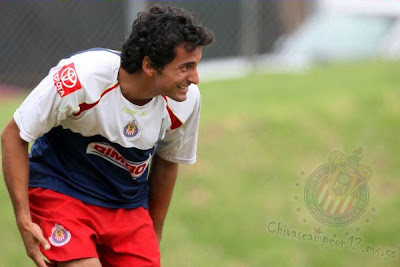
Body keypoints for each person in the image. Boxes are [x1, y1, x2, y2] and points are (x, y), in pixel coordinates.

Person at [1, 4, 213, 267]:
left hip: (127, 206)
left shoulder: (186, 101)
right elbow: (14, 134)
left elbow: (168, 163)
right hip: (63, 193)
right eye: (186, 67)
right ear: (149, 65)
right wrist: (24, 220)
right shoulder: (82, 77)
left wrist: (152, 233)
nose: (195, 78)